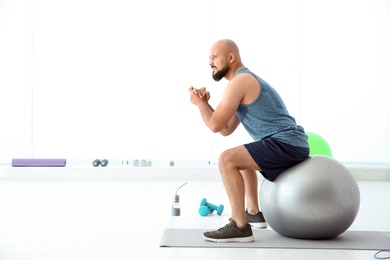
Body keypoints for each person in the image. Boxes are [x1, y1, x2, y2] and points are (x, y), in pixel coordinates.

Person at [188, 39, 309, 243]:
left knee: (226, 160)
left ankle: (240, 226)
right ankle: (253, 212)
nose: (210, 62)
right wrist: (206, 104)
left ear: (231, 57)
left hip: (286, 143)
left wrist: (199, 104)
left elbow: (215, 125)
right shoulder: (242, 82)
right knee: (240, 158)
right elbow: (225, 129)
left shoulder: (240, 82)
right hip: (291, 143)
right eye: (209, 58)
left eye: (214, 57)